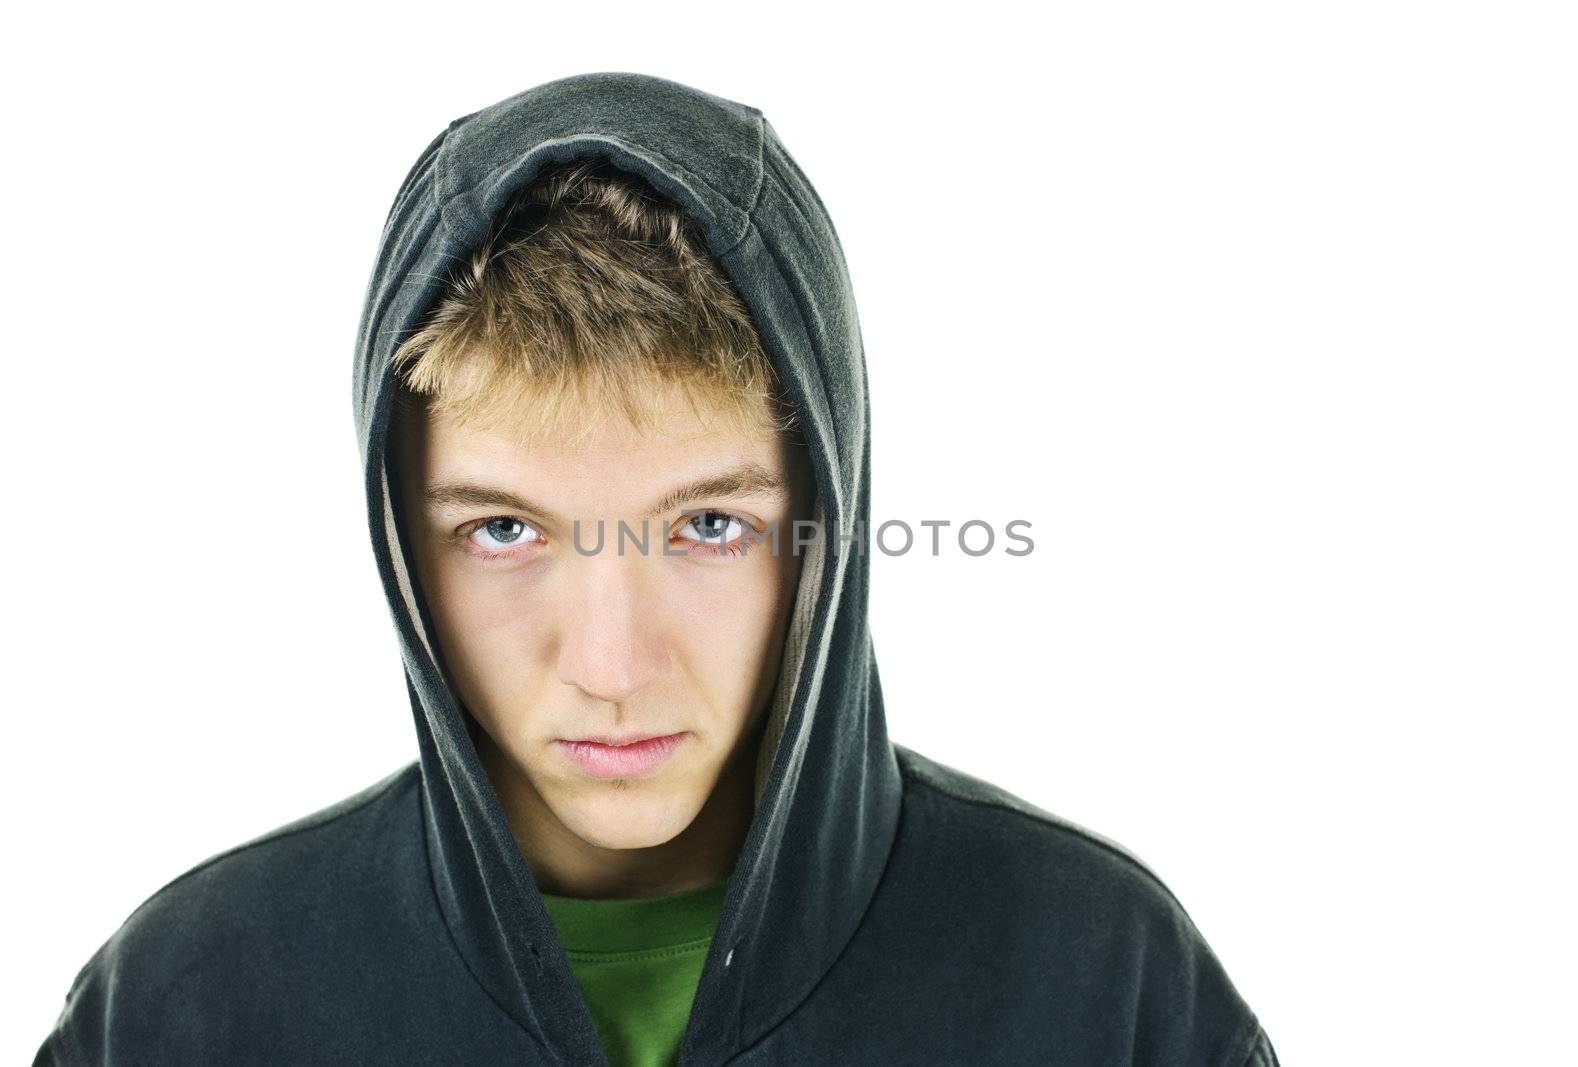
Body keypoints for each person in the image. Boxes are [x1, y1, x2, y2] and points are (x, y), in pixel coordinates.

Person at [32, 72, 1278, 1066]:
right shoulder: (191, 1003)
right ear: (401, 539)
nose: (612, 665)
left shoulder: (1103, 982)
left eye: (706, 527)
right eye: (504, 530)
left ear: (824, 525)